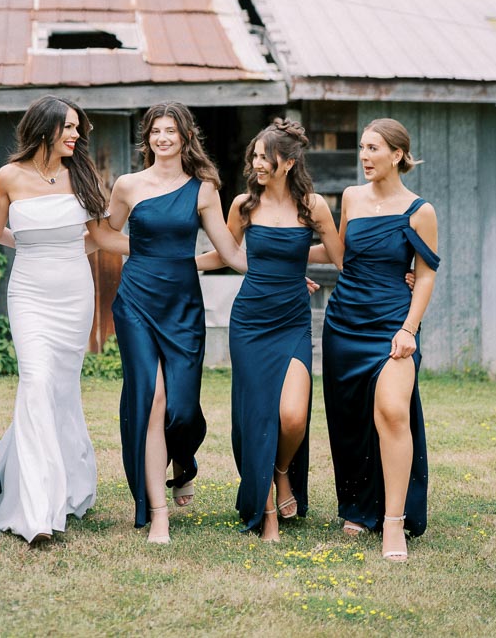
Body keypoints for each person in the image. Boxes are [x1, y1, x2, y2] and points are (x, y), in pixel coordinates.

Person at [0, 96, 126, 542]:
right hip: (29, 294)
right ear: (44, 129)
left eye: (78, 128)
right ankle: (38, 512)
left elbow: (99, 237)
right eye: (70, 128)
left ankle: (67, 486)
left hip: (74, 293)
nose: (77, 135)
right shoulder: (9, 177)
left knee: (59, 390)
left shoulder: (82, 173)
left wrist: (160, 251)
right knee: (36, 382)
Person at [102, 102, 248, 544]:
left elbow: (227, 250)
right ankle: (156, 513)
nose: (163, 138)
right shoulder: (127, 185)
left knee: (183, 408)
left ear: (185, 137)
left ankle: (184, 459)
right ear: (147, 138)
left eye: (171, 131)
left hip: (183, 306)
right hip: (136, 303)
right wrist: (146, 253)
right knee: (152, 400)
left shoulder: (203, 189)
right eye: (156, 131)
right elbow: (105, 234)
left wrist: (278, 273)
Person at [199, 118, 343, 542]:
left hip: (292, 321)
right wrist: (173, 263)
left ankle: (282, 473)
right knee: (259, 416)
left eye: (265, 156)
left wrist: (401, 273)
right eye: (255, 155)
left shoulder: (313, 206)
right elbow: (224, 254)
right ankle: (268, 515)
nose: (257, 163)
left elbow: (339, 256)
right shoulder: (244, 204)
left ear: (289, 161)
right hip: (251, 322)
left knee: (293, 416)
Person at [322, 118, 439, 562]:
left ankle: (393, 523)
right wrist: (284, 262)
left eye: (373, 149)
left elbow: (425, 275)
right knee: (350, 417)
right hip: (345, 321)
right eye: (362, 148)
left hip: (393, 324)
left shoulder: (419, 210)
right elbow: (342, 256)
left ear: (397, 154)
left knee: (392, 412)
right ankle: (356, 505)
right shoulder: (351, 197)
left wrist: (408, 329)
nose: (364, 156)